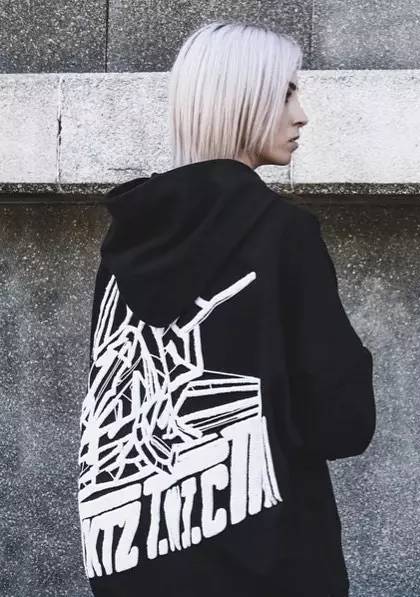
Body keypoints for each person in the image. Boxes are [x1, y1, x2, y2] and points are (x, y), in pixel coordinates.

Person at [77, 20, 376, 597]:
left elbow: (108, 406)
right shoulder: (285, 236)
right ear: (244, 102)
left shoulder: (126, 244)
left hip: (135, 563)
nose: (302, 115)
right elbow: (341, 424)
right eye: (286, 93)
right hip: (273, 565)